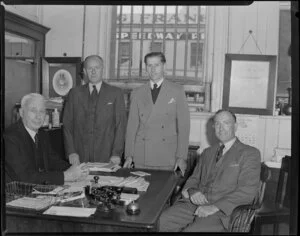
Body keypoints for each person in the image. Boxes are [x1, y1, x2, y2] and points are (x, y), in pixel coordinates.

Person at [159, 109, 261, 232]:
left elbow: (247, 191)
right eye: (217, 124)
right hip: (194, 205)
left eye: (226, 123)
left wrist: (214, 207)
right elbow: (194, 179)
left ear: (235, 126)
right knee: (161, 221)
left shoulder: (249, 153)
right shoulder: (207, 153)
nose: (221, 128)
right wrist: (192, 191)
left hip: (224, 213)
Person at [123, 52, 190, 174]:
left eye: (157, 65)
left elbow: (184, 127)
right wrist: (129, 155)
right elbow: (131, 127)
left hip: (167, 155)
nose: (153, 69)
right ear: (145, 68)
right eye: (149, 65)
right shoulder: (137, 92)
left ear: (164, 66)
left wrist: (181, 157)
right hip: (142, 154)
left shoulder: (177, 91)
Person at [4, 93, 88, 185]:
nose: (38, 116)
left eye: (42, 111)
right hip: (15, 195)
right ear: (21, 113)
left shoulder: (42, 134)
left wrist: (76, 169)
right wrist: (66, 176)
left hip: (39, 192)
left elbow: (53, 161)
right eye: (33, 111)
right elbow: (24, 177)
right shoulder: (9, 138)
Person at [63, 55, 127, 165]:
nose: (93, 72)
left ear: (103, 69)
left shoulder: (116, 93)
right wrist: (71, 152)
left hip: (107, 156)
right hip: (79, 156)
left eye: (97, 68)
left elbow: (121, 126)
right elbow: (67, 125)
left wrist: (116, 153)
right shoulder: (74, 93)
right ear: (84, 71)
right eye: (89, 68)